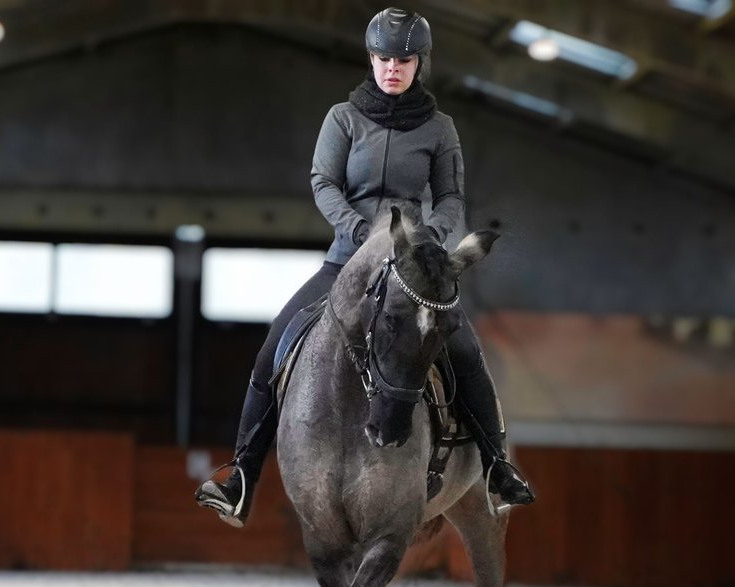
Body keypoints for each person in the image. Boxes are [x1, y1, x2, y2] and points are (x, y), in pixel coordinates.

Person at [196, 7, 534, 527]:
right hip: (346, 261)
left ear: (419, 63)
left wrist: (430, 241)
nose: (391, 67)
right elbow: (323, 183)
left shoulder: (440, 129)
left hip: (414, 267)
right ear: (371, 58)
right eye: (382, 58)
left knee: (465, 349)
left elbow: (449, 197)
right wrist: (357, 233)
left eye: (402, 59)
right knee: (275, 346)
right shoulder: (342, 118)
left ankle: (496, 469)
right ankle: (241, 475)